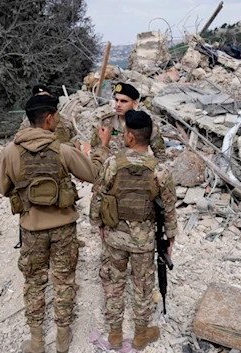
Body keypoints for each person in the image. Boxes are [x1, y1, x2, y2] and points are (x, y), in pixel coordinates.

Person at [0, 93, 112, 353]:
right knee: (64, 281)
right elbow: (95, 174)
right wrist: (102, 147)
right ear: (48, 119)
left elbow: (3, 188)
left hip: (31, 230)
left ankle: (37, 342)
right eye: (57, 116)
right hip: (63, 229)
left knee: (35, 283)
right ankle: (62, 339)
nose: (58, 120)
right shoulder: (62, 150)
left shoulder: (10, 152)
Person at [89, 110, 178, 351]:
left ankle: (115, 335)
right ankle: (140, 335)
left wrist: (98, 225)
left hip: (115, 237)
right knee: (143, 286)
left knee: (114, 284)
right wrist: (170, 238)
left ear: (128, 137)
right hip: (144, 240)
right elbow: (169, 208)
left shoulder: (111, 164)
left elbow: (97, 196)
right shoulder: (160, 170)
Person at [91, 82, 166, 162]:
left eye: (123, 101)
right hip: (110, 170)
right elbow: (94, 150)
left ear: (134, 104)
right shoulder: (105, 122)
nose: (118, 105)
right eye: (117, 100)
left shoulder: (145, 124)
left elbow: (161, 156)